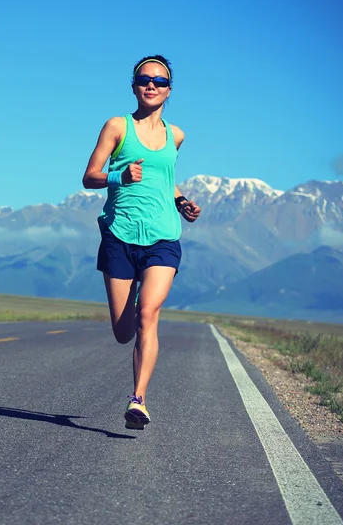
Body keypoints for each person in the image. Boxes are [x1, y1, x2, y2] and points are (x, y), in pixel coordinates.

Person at [82, 55, 201, 430]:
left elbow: (165, 179)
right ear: (134, 86)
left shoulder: (176, 135)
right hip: (119, 235)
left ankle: (139, 400)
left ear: (169, 90)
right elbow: (90, 177)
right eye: (143, 79)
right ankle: (134, 301)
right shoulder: (117, 127)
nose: (151, 85)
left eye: (159, 80)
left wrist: (180, 201)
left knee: (149, 314)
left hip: (163, 237)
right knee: (123, 332)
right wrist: (119, 175)